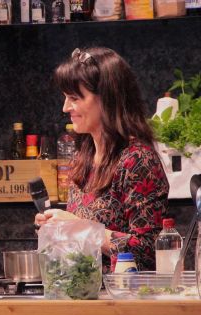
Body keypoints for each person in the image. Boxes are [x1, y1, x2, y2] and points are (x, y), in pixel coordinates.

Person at [35, 47, 169, 272]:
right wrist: (56, 228)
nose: (65, 107)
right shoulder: (83, 158)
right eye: (66, 98)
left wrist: (79, 228)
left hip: (124, 300)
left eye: (75, 98)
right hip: (86, 294)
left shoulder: (138, 160)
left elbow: (149, 251)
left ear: (107, 99)